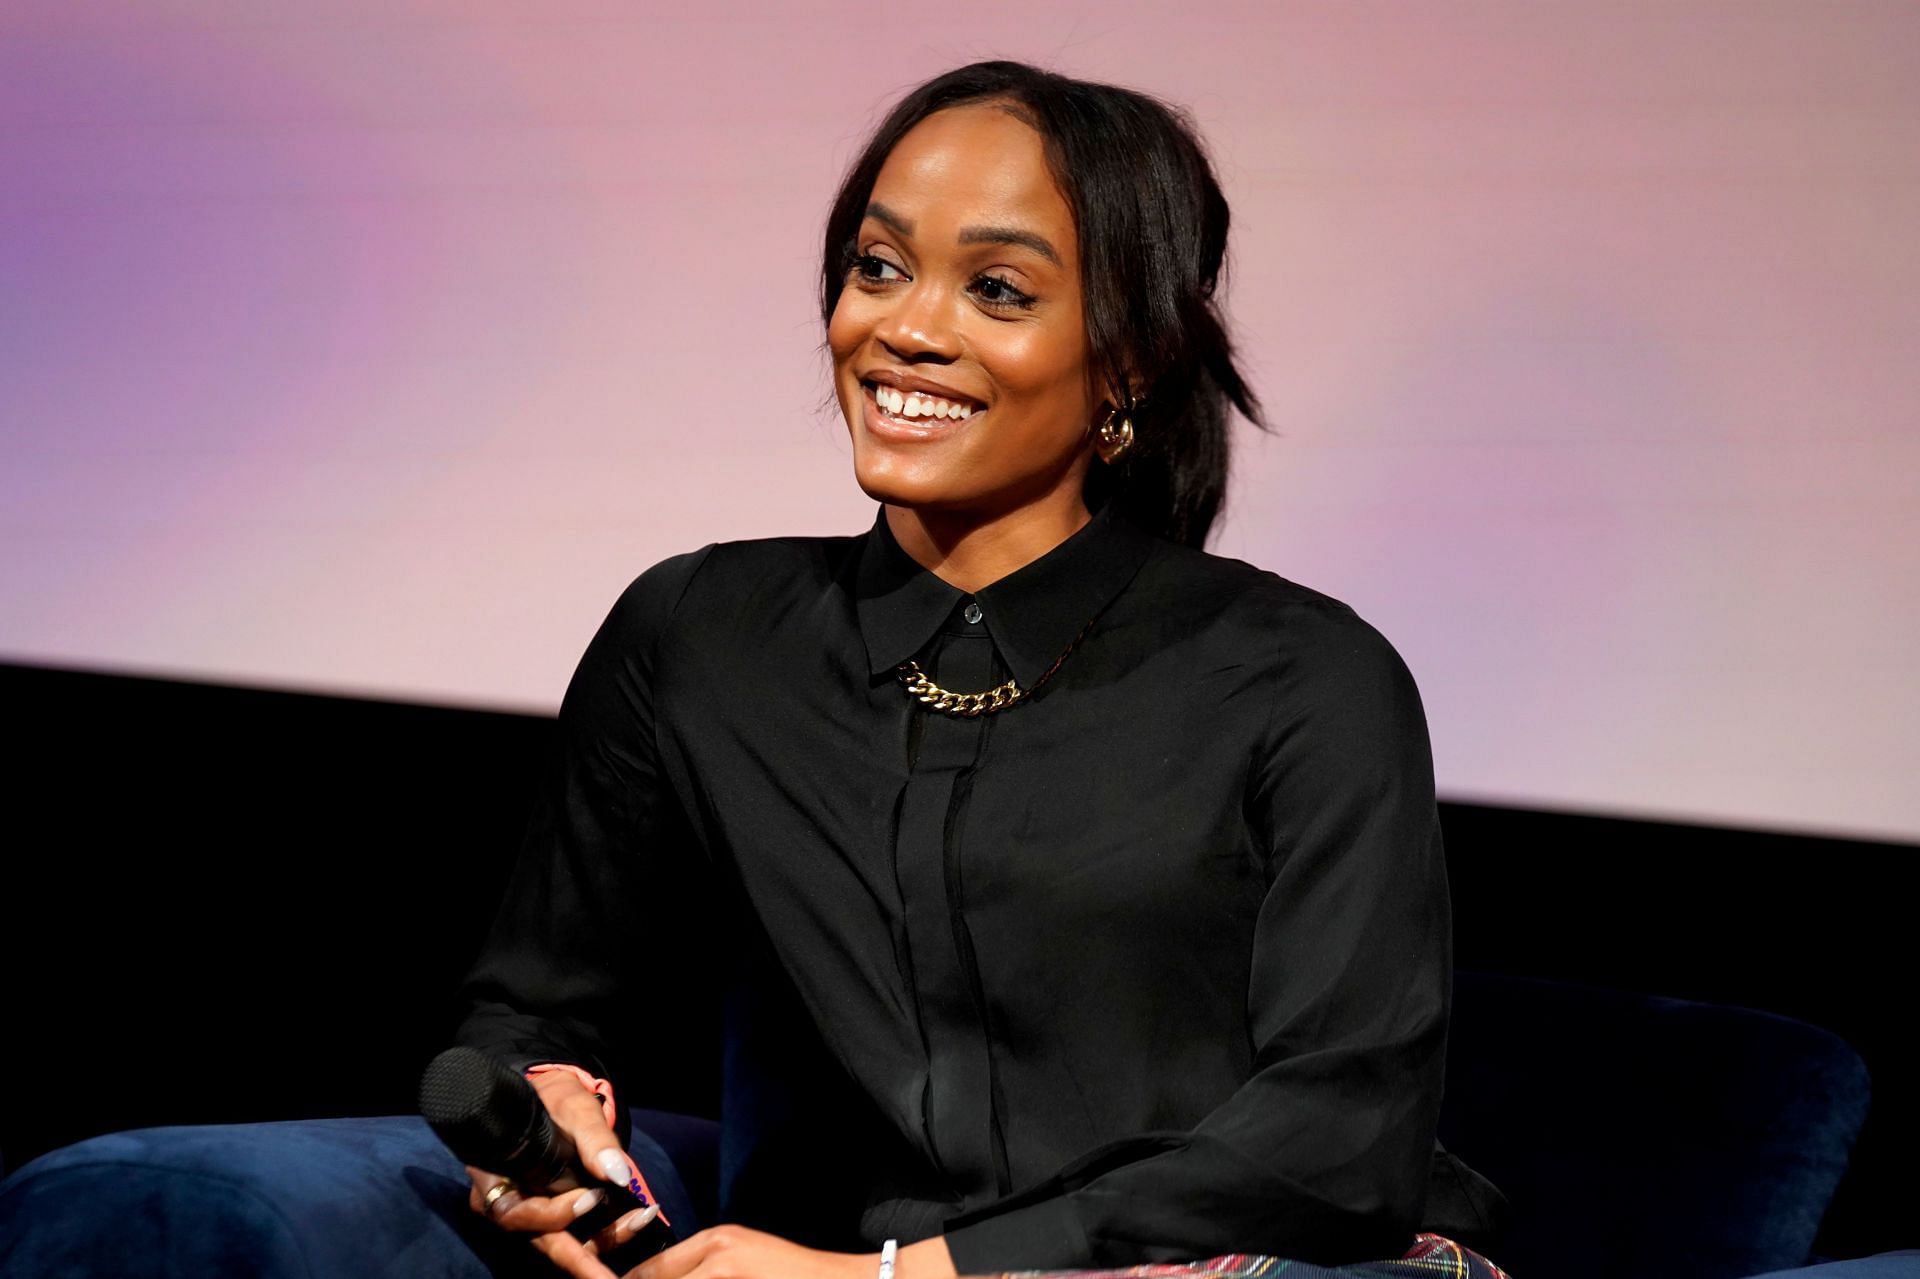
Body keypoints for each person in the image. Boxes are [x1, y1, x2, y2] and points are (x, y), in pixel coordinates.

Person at [449, 60, 1508, 1279]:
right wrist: (540, 1110)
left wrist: (911, 1277)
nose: (906, 327)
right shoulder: (700, 632)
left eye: (997, 289)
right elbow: (530, 1000)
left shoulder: (1306, 678)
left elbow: (1341, 1141)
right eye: (878, 266)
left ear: (1133, 362)